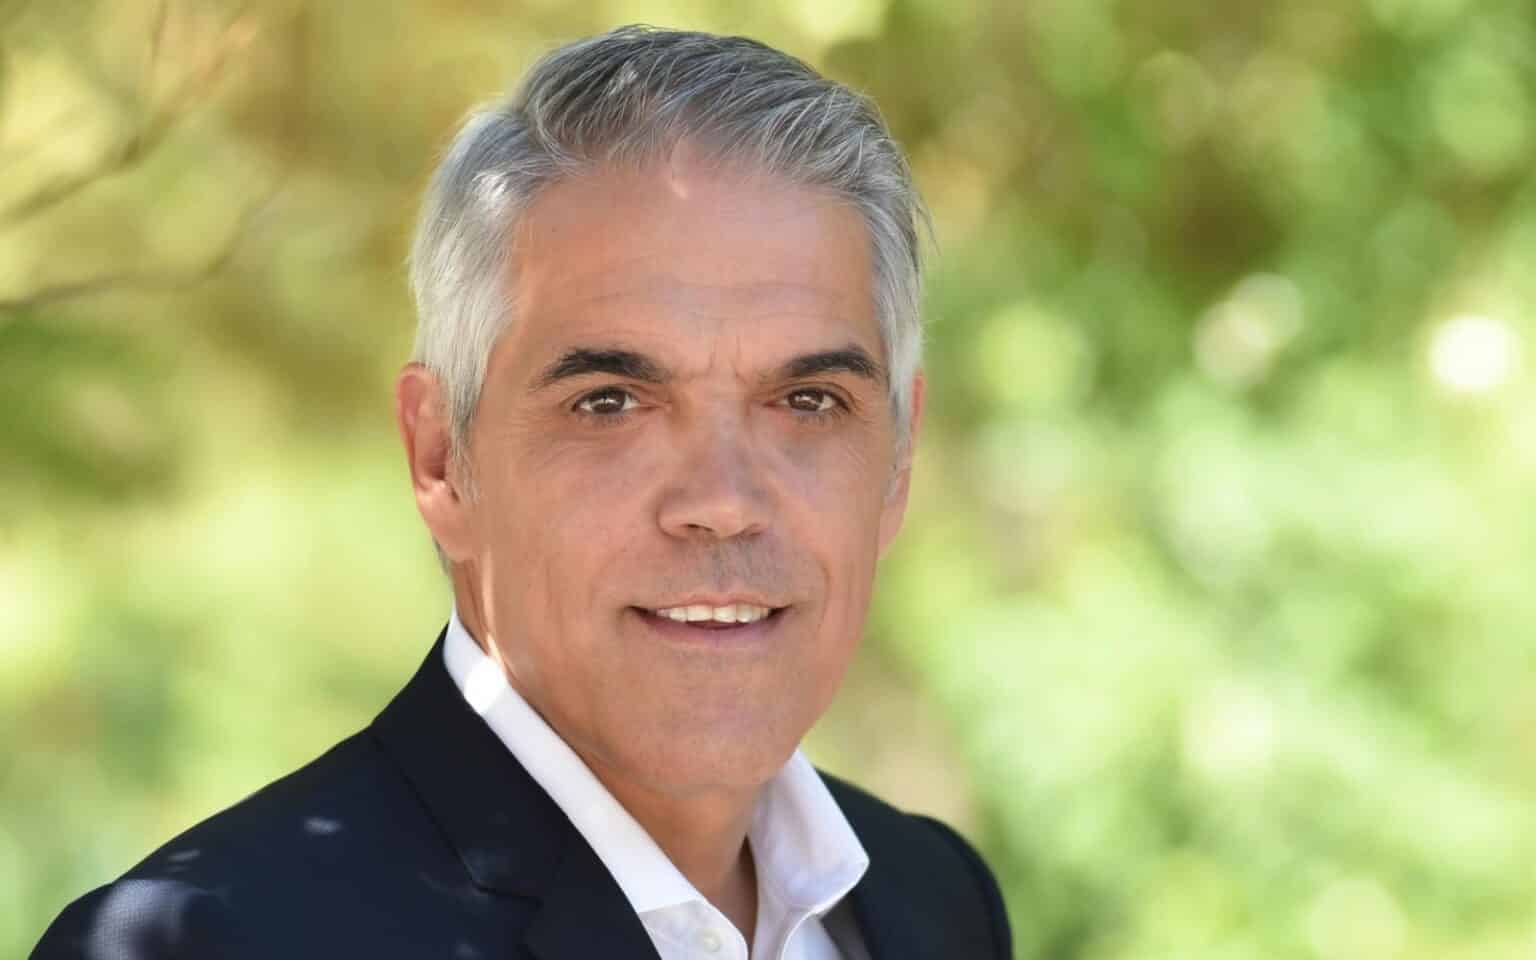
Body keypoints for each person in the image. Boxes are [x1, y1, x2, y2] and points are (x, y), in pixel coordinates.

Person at [32, 24, 1011, 960]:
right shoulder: (205, 945)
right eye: (610, 402)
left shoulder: (935, 902)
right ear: (440, 459)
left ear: (898, 461)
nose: (724, 501)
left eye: (808, 400)